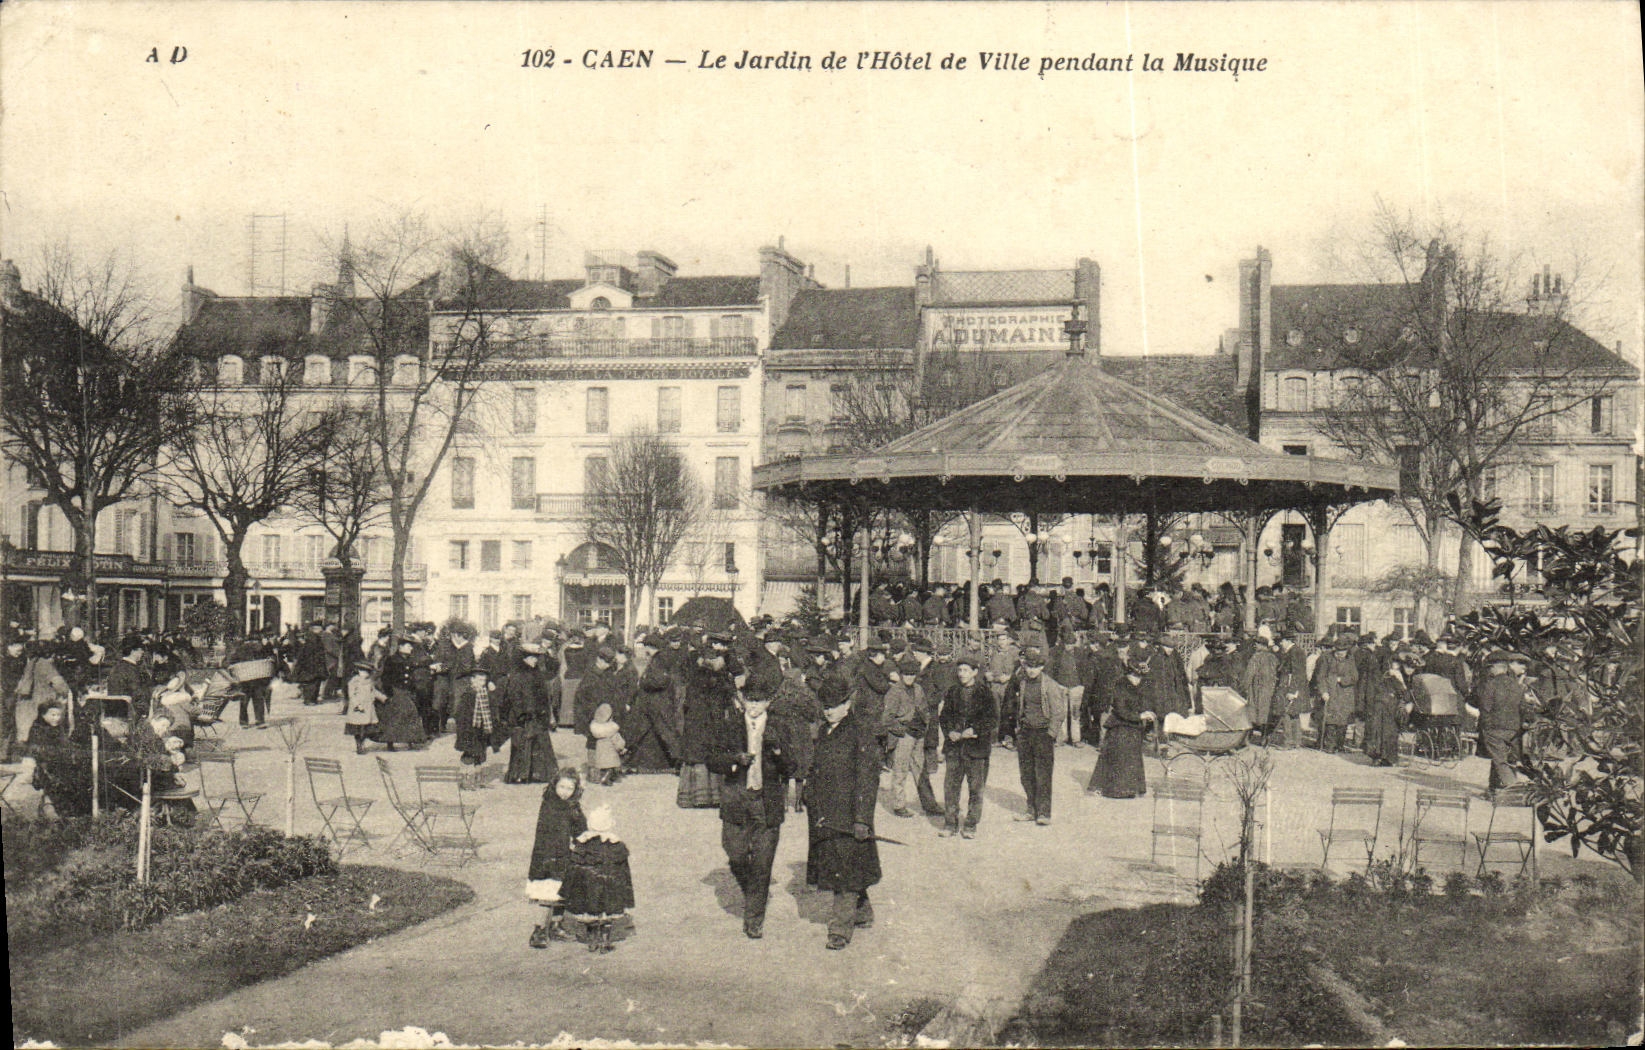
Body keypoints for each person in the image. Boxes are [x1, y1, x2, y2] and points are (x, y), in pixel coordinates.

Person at [707, 678, 795, 939]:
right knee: (735, 854)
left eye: (760, 701)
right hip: (737, 799)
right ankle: (756, 890)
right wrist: (734, 761)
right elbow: (711, 758)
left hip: (767, 803)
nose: (754, 706)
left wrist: (779, 752)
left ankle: (754, 918)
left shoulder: (780, 726)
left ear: (769, 702)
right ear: (741, 700)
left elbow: (793, 767)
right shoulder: (729, 725)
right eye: (750, 700)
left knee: (762, 862)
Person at [804, 676, 881, 951]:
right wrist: (807, 795)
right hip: (825, 813)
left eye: (835, 705)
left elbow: (867, 779)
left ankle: (839, 929)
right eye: (825, 705)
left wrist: (861, 818)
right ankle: (862, 911)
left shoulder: (860, 732)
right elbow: (816, 769)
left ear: (848, 704)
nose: (829, 710)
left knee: (844, 871)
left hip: (849, 815)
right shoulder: (824, 731)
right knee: (844, 868)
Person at [1003, 647, 1069, 825]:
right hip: (1025, 733)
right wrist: (1018, 729)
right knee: (1026, 774)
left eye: (1035, 667)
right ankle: (1031, 809)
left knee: (1043, 775)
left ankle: (1044, 813)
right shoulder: (1023, 683)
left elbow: (1058, 712)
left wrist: (1051, 734)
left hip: (1043, 734)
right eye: (1029, 667)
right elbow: (1020, 707)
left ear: (1041, 667)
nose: (1031, 670)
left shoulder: (1050, 685)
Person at [561, 804, 636, 953]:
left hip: (588, 889)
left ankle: (592, 940)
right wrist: (624, 891)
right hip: (609, 888)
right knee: (607, 916)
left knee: (591, 915)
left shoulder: (582, 844)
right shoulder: (616, 845)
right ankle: (605, 940)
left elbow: (573, 868)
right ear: (611, 824)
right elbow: (623, 871)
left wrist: (570, 889)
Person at [526, 768, 587, 948]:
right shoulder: (550, 804)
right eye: (562, 787)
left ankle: (555, 925)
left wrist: (581, 840)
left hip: (564, 856)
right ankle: (538, 930)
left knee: (562, 892)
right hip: (548, 856)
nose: (564, 792)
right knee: (547, 894)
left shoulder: (572, 805)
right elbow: (550, 832)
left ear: (575, 790)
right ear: (554, 785)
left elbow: (580, 826)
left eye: (569, 788)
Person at [940, 652, 996, 838]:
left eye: (966, 670)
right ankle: (950, 823)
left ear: (974, 672)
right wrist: (950, 732)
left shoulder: (985, 693)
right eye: (960, 670)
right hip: (955, 748)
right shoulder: (952, 692)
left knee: (976, 788)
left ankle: (971, 824)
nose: (962, 673)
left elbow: (992, 719)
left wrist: (975, 730)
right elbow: (944, 717)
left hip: (976, 749)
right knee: (951, 787)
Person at [1088, 648, 1156, 799]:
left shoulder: (1144, 684)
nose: (1138, 679)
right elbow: (1120, 709)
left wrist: (1149, 712)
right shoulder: (1121, 684)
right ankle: (1114, 788)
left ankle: (1132, 787)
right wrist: (1140, 716)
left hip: (1135, 726)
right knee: (1120, 751)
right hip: (1120, 725)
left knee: (1133, 754)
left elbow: (1146, 702)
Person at [1473, 651, 1529, 792]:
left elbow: (1485, 708)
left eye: (1490, 668)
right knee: (1504, 758)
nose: (1489, 671)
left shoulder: (1490, 685)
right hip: (1513, 729)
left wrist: (1485, 727)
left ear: (1496, 667)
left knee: (1499, 760)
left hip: (1495, 727)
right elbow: (1523, 708)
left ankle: (1514, 788)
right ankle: (1493, 788)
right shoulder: (1517, 685)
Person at [504, 643, 561, 784]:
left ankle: (538, 774)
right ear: (524, 658)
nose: (535, 660)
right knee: (523, 745)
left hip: (537, 716)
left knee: (540, 744)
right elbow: (514, 697)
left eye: (536, 657)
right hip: (524, 717)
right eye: (532, 657)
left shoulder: (536, 673)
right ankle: (520, 775)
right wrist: (524, 713)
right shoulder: (518, 674)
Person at [880, 655, 926, 819]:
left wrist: (923, 725)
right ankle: (899, 804)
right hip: (903, 735)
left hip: (918, 733)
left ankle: (929, 803)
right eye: (906, 674)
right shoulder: (894, 692)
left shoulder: (918, 689)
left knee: (921, 770)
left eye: (912, 674)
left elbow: (924, 709)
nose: (909, 677)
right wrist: (902, 730)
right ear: (900, 674)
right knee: (900, 771)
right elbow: (886, 719)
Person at [375, 636, 430, 752]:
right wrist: (389, 692)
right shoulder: (391, 659)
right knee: (395, 716)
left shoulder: (409, 659)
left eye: (411, 646)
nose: (411, 648)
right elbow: (386, 677)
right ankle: (390, 742)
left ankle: (410, 740)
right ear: (400, 647)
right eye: (408, 646)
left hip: (407, 691)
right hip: (396, 691)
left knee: (410, 714)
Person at [1311, 632, 1360, 753]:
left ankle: (1340, 744)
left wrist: (1342, 680)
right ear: (1335, 650)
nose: (1340, 656)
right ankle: (1329, 745)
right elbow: (1320, 677)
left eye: (1343, 653)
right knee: (1330, 720)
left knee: (1343, 721)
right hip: (1330, 693)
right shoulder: (1326, 658)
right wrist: (1323, 692)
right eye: (1338, 653)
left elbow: (1355, 677)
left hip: (1345, 695)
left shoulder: (1350, 660)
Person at [1363, 648, 1412, 767]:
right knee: (1389, 732)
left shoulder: (1379, 674)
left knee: (1377, 732)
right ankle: (1389, 758)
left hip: (1379, 705)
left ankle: (1377, 757)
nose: (1398, 665)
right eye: (1396, 663)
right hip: (1390, 706)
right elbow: (1404, 693)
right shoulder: (1394, 675)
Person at [343, 660, 381, 754]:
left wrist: (383, 698)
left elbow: (373, 691)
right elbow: (351, 695)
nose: (365, 674)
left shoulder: (370, 681)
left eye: (367, 672)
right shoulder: (354, 681)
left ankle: (362, 743)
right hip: (358, 709)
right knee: (358, 729)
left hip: (368, 708)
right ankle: (359, 745)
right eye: (362, 671)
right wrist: (357, 705)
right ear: (358, 671)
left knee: (366, 729)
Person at [290, 622, 330, 707]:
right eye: (319, 628)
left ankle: (311, 699)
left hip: (313, 663)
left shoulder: (315, 637)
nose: (321, 630)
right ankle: (309, 700)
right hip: (311, 663)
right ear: (314, 629)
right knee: (311, 682)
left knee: (314, 681)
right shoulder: (312, 638)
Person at [588, 702, 625, 786]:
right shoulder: (612, 731)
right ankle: (607, 778)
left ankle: (602, 776)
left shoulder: (597, 733)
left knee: (602, 768)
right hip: (611, 755)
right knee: (610, 768)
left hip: (600, 755)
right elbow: (618, 742)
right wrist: (621, 747)